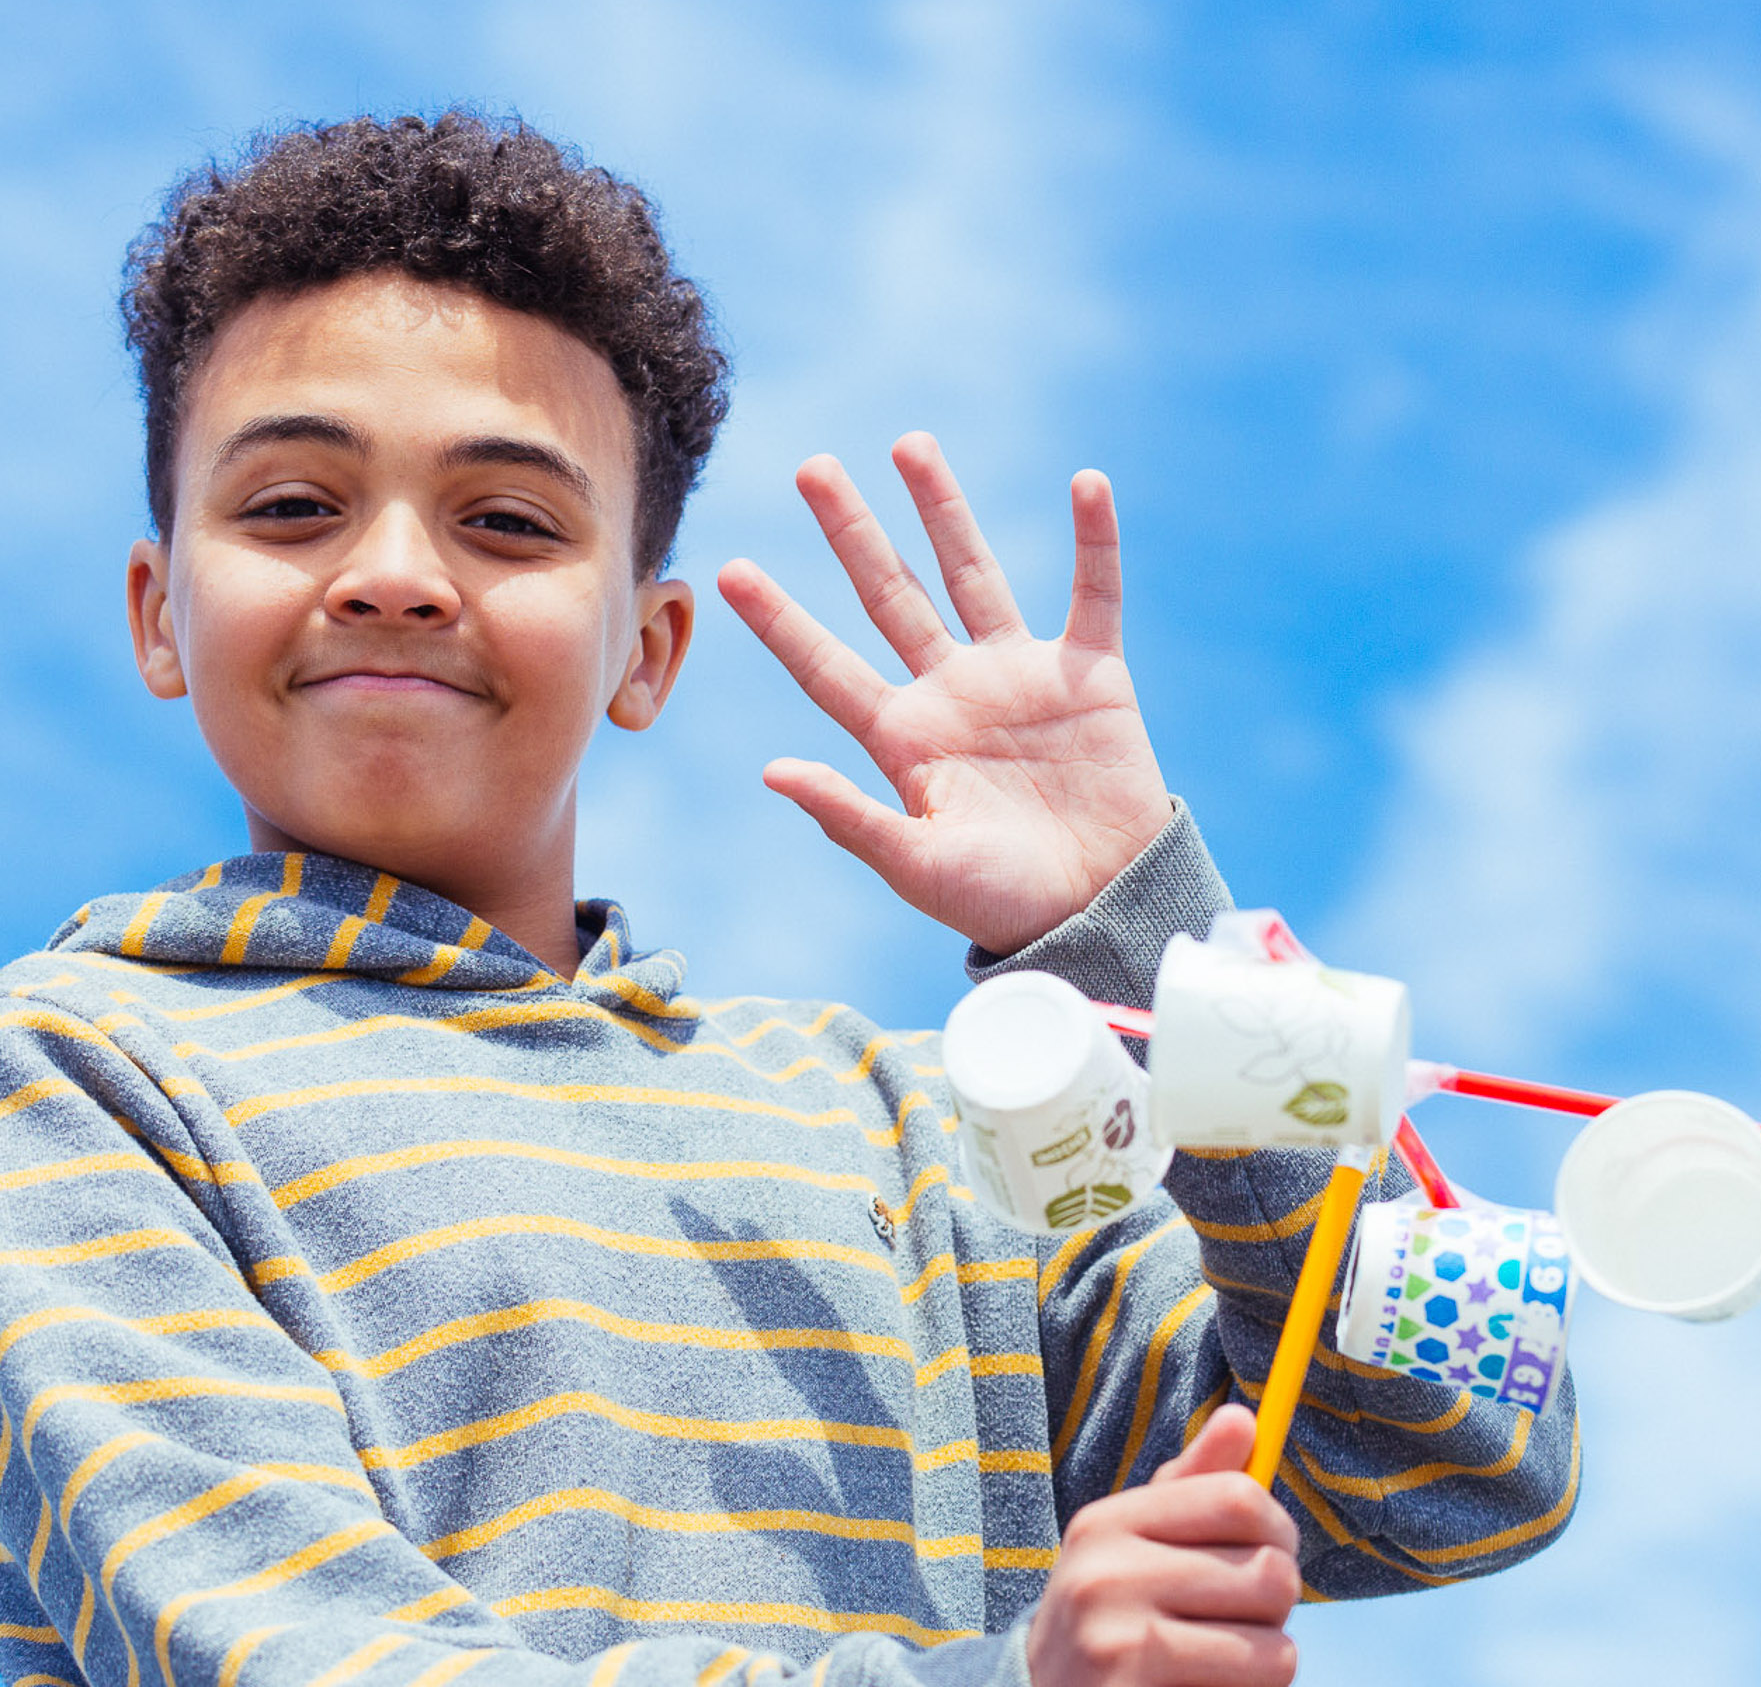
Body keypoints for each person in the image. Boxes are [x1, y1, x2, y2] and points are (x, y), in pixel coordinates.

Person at [0, 113, 1577, 1687]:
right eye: (290, 507)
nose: (397, 573)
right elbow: (292, 1656)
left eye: (509, 522)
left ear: (649, 648)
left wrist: (1138, 938)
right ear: (159, 614)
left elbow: (1463, 1471)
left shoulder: (920, 1134)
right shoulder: (76, 1072)